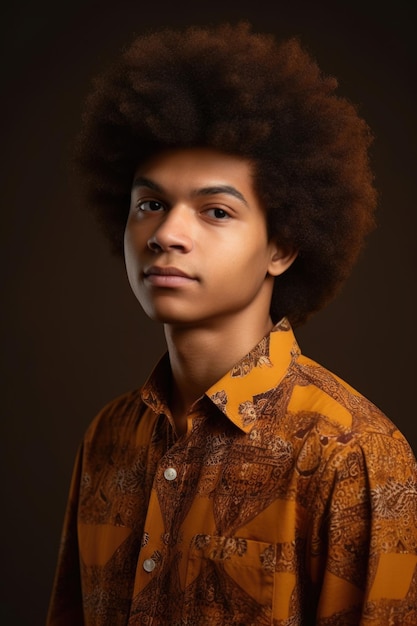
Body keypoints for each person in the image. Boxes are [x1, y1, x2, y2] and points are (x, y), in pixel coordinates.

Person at [47, 22, 417, 625]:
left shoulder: (352, 456)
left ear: (283, 248)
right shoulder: (109, 439)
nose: (167, 235)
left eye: (216, 211)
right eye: (150, 205)